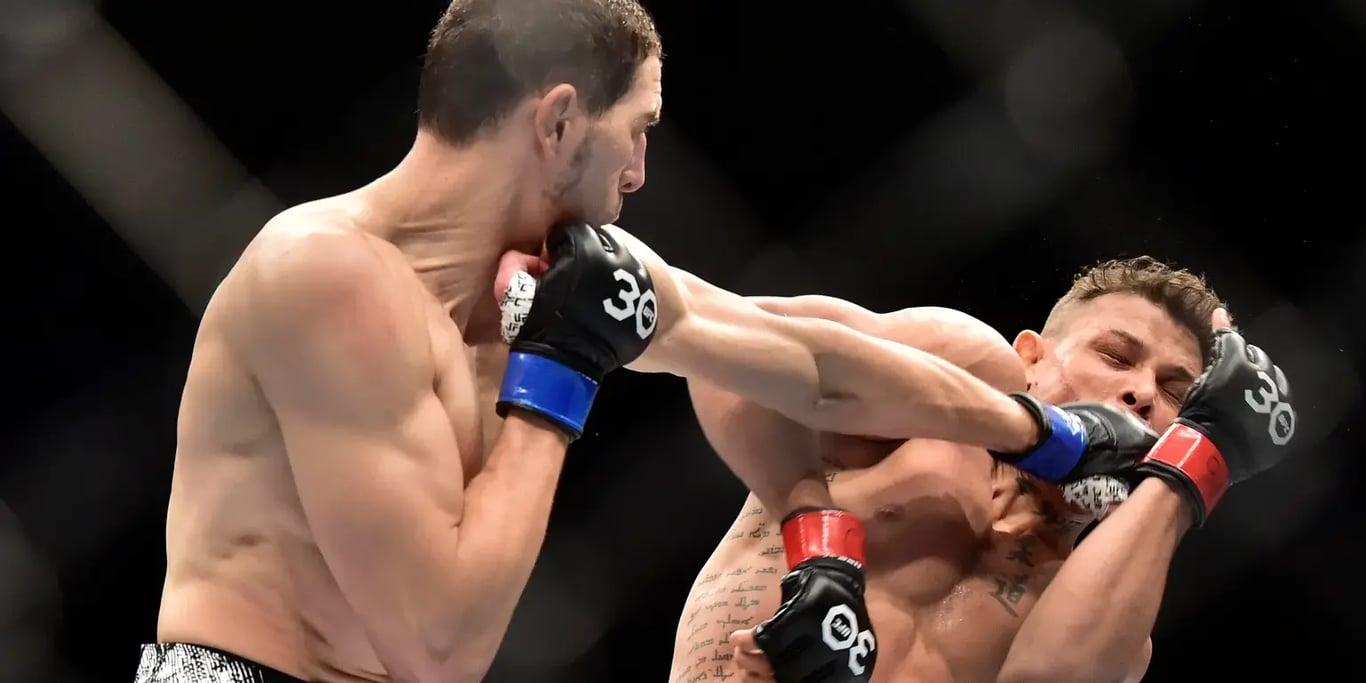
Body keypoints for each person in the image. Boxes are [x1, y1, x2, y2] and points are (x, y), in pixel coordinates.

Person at [134, 1, 665, 681]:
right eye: (637, 128)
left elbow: (769, 340)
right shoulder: (326, 273)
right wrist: (562, 364)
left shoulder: (548, 283)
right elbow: (437, 649)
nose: (639, 172)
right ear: (559, 122)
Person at [616, 254, 1294, 683]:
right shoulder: (957, 370)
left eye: (1176, 392)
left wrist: (1195, 467)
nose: (1142, 391)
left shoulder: (1110, 606)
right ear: (1032, 355)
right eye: (1117, 356)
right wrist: (820, 546)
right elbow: (720, 353)